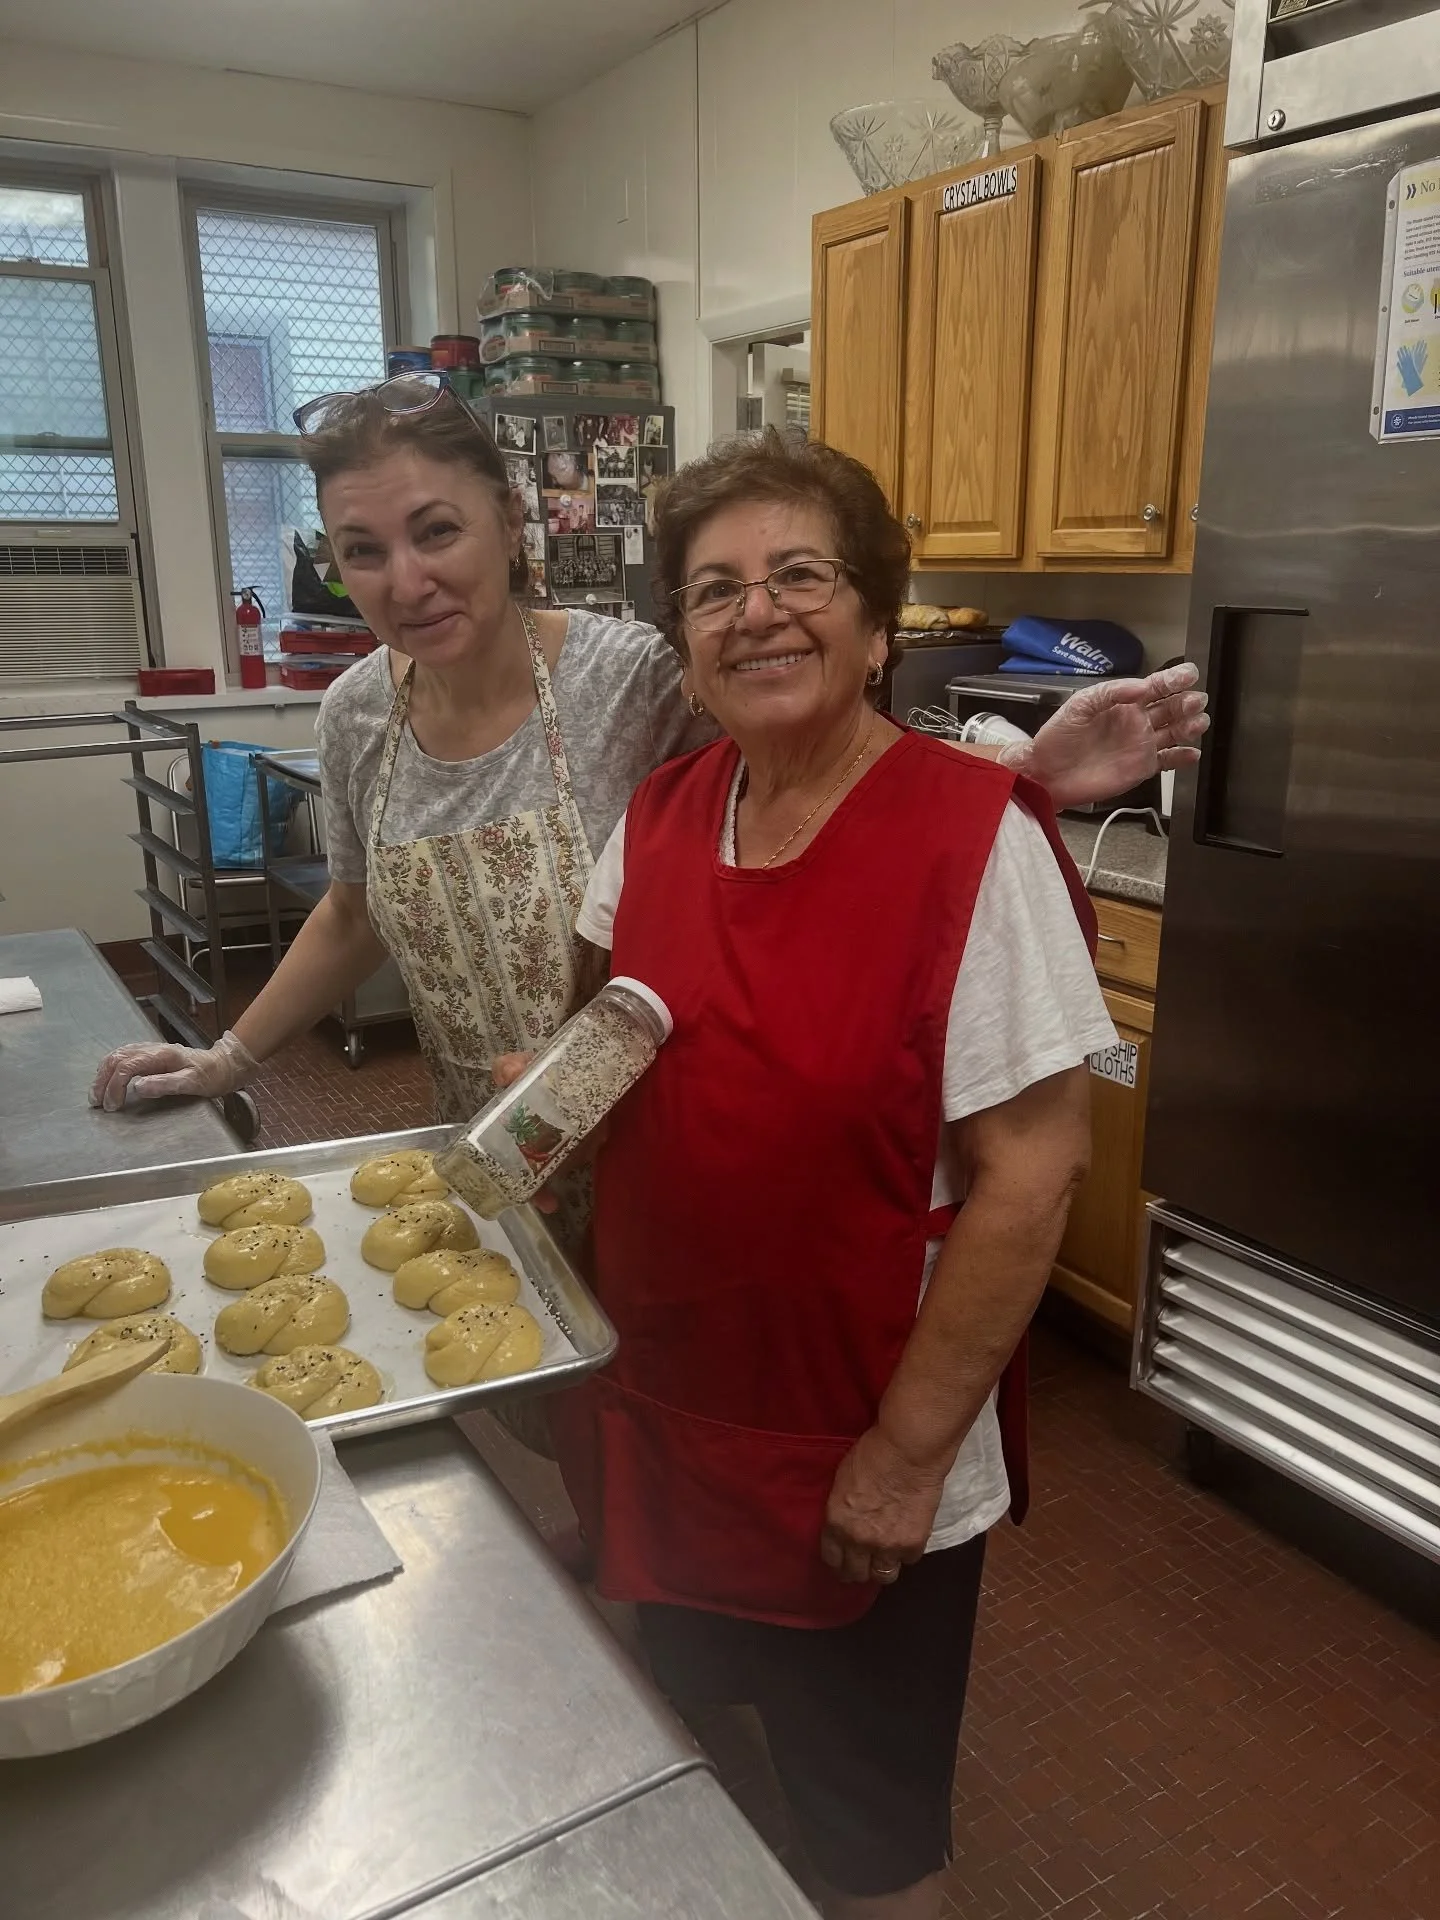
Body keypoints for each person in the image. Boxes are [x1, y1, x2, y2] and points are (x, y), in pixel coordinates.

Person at [91, 374, 1206, 1157]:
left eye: (437, 531)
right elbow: (351, 913)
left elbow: (823, 767)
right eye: (362, 552)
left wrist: (1013, 773)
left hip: (664, 1141)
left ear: (510, 524)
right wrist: (228, 1060)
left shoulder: (627, 675)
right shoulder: (355, 716)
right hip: (495, 1137)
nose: (406, 581)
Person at [545, 429, 1122, 1920]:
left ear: (876, 626)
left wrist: (910, 1455)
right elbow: (613, 1037)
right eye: (715, 589)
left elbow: (1032, 1174)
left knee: (868, 1831)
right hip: (677, 1396)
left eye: (801, 575)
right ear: (685, 647)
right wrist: (532, 1111)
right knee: (702, 1720)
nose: (758, 614)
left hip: (861, 1419)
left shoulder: (970, 841)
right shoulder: (662, 818)